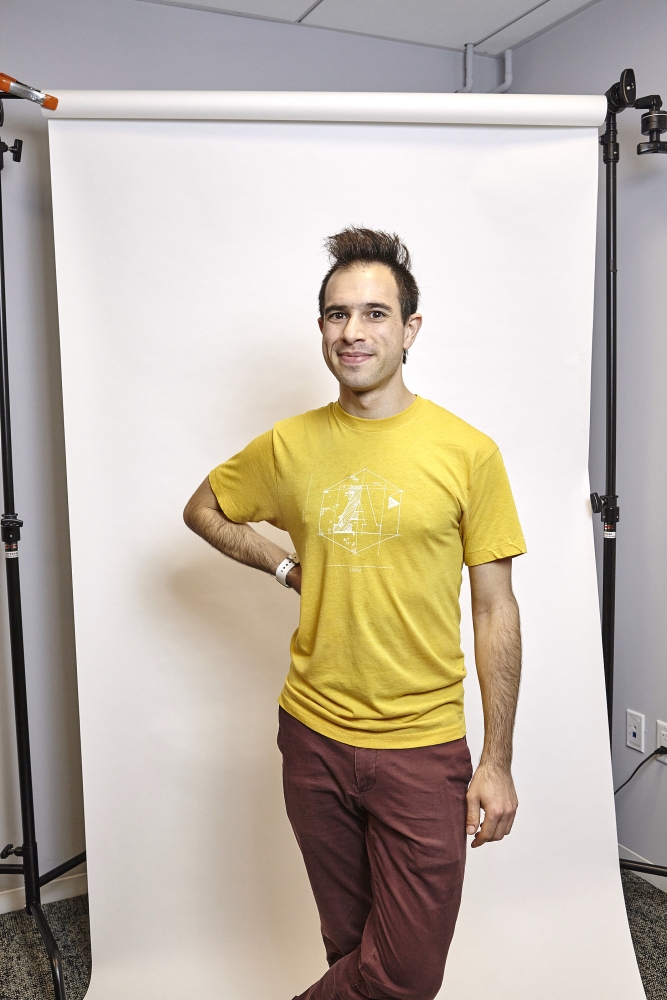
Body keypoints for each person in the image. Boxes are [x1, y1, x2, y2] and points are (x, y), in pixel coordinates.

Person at [183, 227, 526, 1000]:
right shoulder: (290, 445)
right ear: (321, 329)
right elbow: (203, 508)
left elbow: (495, 610)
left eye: (374, 313)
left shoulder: (467, 452)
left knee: (403, 973)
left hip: (421, 746)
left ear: (409, 329)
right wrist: (283, 566)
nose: (353, 332)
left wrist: (496, 760)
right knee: (351, 947)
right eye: (337, 315)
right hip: (312, 737)